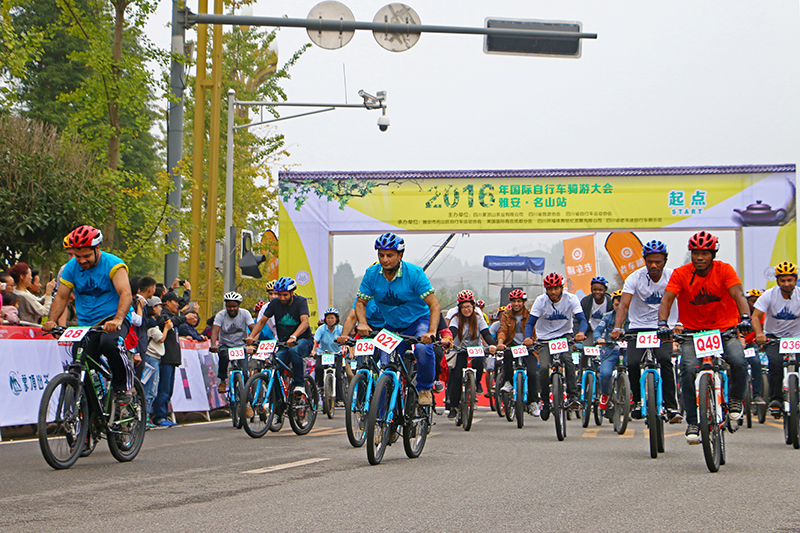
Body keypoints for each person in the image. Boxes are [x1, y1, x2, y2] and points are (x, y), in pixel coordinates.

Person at [657, 231, 751, 444]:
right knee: (688, 370)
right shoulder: (681, 273)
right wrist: (662, 324)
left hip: (724, 330)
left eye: (704, 253)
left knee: (738, 360)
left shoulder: (724, 270)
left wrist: (744, 318)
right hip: (692, 332)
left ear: (713, 254)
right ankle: (692, 421)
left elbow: (738, 294)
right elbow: (667, 300)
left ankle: (736, 399)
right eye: (695, 253)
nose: (699, 258)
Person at [43, 225, 135, 409]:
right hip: (86, 323)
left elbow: (126, 294)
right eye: (78, 256)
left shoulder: (113, 264)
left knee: (110, 344)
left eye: (87, 256)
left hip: (113, 318)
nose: (82, 261)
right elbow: (61, 296)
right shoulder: (71, 268)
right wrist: (51, 320)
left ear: (97, 249)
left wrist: (117, 319)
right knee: (80, 358)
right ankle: (88, 421)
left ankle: (123, 387)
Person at [353, 233, 442, 406]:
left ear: (400, 255)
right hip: (392, 326)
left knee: (424, 350)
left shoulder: (415, 273)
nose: (385, 259)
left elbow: (434, 306)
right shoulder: (372, 274)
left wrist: (431, 332)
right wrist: (362, 323)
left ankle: (424, 388)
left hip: (418, 321)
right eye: (381, 255)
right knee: (385, 371)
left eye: (390, 255)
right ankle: (382, 423)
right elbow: (360, 303)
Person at [611, 239, 681, 422]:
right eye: (649, 261)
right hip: (638, 328)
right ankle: (636, 400)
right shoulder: (634, 278)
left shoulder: (673, 276)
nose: (653, 265)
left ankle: (671, 406)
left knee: (666, 360)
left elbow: (683, 301)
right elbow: (624, 305)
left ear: (665, 261)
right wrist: (618, 327)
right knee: (633, 363)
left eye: (658, 261)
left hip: (664, 327)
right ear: (644, 261)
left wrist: (680, 323)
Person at [523, 273, 587, 417]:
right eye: (550, 289)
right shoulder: (540, 301)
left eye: (556, 288)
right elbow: (531, 323)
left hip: (565, 336)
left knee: (568, 360)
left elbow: (582, 320)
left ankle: (573, 397)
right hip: (545, 339)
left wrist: (581, 332)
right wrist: (528, 337)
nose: (553, 292)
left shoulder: (571, 299)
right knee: (544, 367)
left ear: (562, 288)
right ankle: (545, 402)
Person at [247, 277, 313, 396]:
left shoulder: (300, 302)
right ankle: (278, 404)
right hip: (283, 343)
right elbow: (261, 322)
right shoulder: (275, 304)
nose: (282, 298)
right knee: (273, 366)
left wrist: (294, 336)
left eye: (285, 295)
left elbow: (305, 322)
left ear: (292, 293)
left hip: (303, 340)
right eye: (279, 295)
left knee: (294, 349)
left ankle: (299, 384)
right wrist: (251, 337)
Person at [752, 262, 800, 417]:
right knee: (775, 364)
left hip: (797, 338)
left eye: (790, 280)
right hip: (774, 338)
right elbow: (755, 316)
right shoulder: (769, 295)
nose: (787, 283)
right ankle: (776, 400)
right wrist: (760, 334)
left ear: (795, 280)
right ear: (778, 281)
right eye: (783, 280)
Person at [446, 290, 496, 418]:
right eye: (463, 307)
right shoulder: (456, 319)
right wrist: (448, 341)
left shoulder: (479, 319)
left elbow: (486, 333)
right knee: (456, 377)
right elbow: (452, 331)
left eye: (468, 306)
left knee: (479, 363)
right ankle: (454, 407)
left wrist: (492, 345)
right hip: (460, 350)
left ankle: (476, 383)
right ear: (459, 308)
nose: (466, 309)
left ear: (473, 307)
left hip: (476, 349)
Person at [497, 289, 538, 415]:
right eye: (514, 301)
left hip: (528, 347)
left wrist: (531, 340)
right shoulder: (506, 315)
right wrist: (500, 342)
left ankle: (533, 402)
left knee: (532, 373)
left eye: (519, 301)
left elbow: (535, 329)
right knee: (507, 357)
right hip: (512, 346)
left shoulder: (530, 314)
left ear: (524, 302)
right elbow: (503, 329)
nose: (516, 304)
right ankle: (508, 382)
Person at [151, 291, 189, 427]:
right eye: (175, 302)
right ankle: (159, 416)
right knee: (163, 389)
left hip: (172, 358)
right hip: (165, 358)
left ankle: (163, 414)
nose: (177, 304)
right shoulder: (163, 316)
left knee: (168, 389)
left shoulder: (172, 316)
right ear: (167, 302)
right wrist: (185, 317)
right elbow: (167, 322)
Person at [210, 292, 255, 395]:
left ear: (239, 305)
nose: (231, 309)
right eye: (229, 306)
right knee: (224, 356)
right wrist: (213, 345)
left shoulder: (245, 313)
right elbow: (215, 331)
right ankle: (222, 380)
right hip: (226, 345)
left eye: (234, 306)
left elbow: (253, 329)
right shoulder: (220, 315)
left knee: (244, 373)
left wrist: (252, 342)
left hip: (241, 345)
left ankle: (246, 402)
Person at [594, 291, 627, 412]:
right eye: (616, 304)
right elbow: (598, 330)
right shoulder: (607, 316)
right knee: (605, 373)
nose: (619, 307)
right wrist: (599, 339)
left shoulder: (633, 316)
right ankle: (605, 394)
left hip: (627, 350)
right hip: (610, 350)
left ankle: (633, 394)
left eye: (621, 304)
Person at [143, 296, 170, 424]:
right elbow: (160, 338)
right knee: (150, 390)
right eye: (159, 306)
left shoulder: (150, 321)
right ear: (153, 307)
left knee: (150, 389)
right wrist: (166, 328)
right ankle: (145, 418)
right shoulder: (151, 323)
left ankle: (145, 417)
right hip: (151, 357)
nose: (161, 309)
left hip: (153, 358)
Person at [312, 308, 345, 402]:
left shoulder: (340, 329)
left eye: (332, 318)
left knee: (338, 375)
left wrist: (345, 348)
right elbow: (315, 340)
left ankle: (339, 398)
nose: (330, 320)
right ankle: (321, 386)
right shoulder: (321, 329)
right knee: (318, 369)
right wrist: (313, 350)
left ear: (336, 319)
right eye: (328, 318)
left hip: (336, 354)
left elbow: (345, 339)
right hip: (323, 353)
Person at [741, 288, 766, 407]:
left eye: (757, 301)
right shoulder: (738, 311)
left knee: (756, 363)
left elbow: (763, 329)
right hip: (737, 342)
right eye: (752, 301)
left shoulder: (762, 314)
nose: (755, 304)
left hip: (751, 343)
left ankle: (757, 394)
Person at [579, 276, 613, 346]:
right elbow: (580, 319)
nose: (597, 292)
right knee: (585, 350)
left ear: (605, 290)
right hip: (591, 332)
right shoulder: (585, 301)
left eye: (600, 290)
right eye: (595, 289)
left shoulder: (610, 302)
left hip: (607, 332)